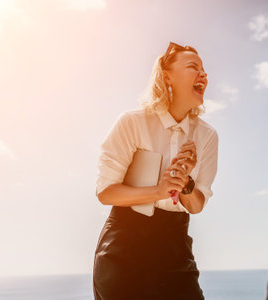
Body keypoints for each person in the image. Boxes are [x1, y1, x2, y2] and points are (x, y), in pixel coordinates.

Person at [92, 41, 219, 299]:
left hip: (175, 247)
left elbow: (196, 205)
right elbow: (106, 193)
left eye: (204, 69)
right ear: (167, 77)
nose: (203, 74)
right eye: (193, 66)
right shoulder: (132, 122)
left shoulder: (207, 136)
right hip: (124, 246)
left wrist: (186, 185)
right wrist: (159, 190)